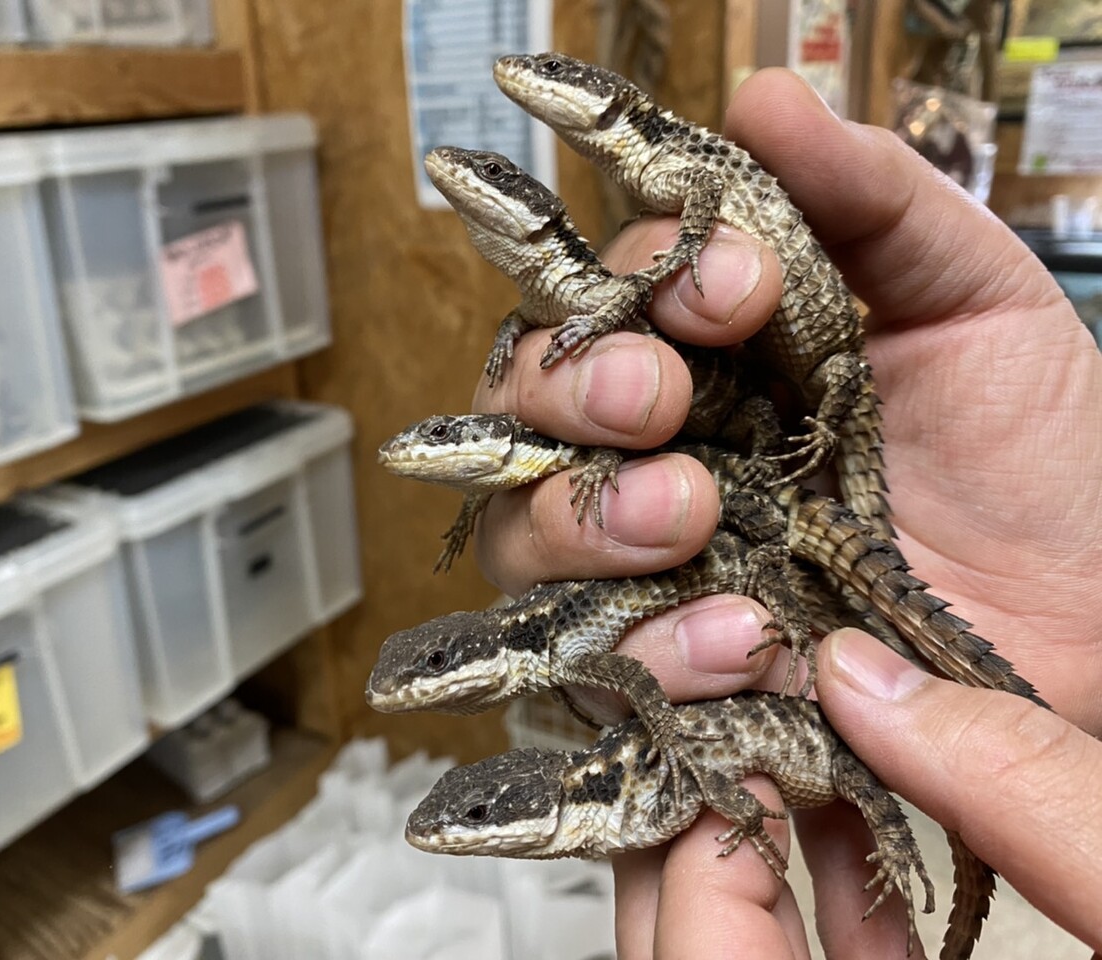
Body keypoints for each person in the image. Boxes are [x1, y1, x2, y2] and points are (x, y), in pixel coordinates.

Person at [469, 67, 1102, 958]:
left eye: (549, 76)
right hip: (784, 476)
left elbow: (698, 241)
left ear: (599, 98)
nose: (529, 86)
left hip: (821, 416)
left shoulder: (676, 164)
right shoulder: (649, 191)